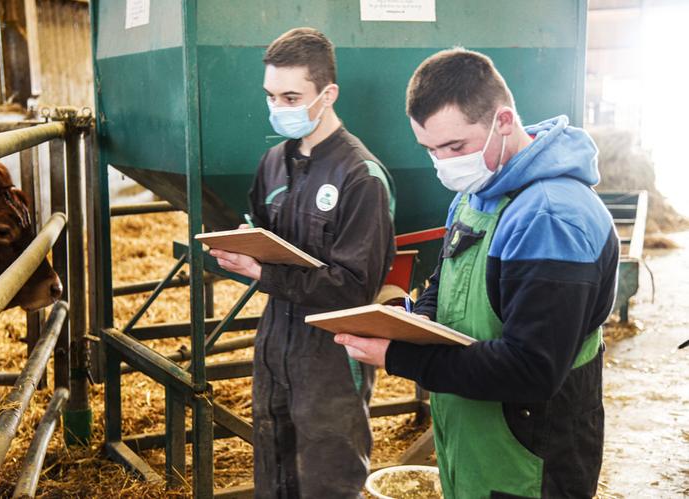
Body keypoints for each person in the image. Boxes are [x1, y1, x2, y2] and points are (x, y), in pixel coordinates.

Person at [335, 48, 619, 498]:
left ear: (503, 121)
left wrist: (398, 357)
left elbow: (532, 370)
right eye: (430, 149)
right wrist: (419, 316)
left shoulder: (551, 218)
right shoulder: (478, 189)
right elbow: (448, 278)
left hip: (529, 460)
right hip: (474, 442)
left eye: (455, 147)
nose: (444, 163)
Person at [210, 28, 396, 498]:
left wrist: (264, 273)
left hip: (332, 354)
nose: (279, 108)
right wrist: (240, 247)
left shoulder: (362, 178)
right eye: (272, 96)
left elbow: (353, 288)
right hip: (275, 342)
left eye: (292, 96)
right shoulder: (273, 161)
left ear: (327, 94)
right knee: (273, 472)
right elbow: (257, 224)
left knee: (328, 477)